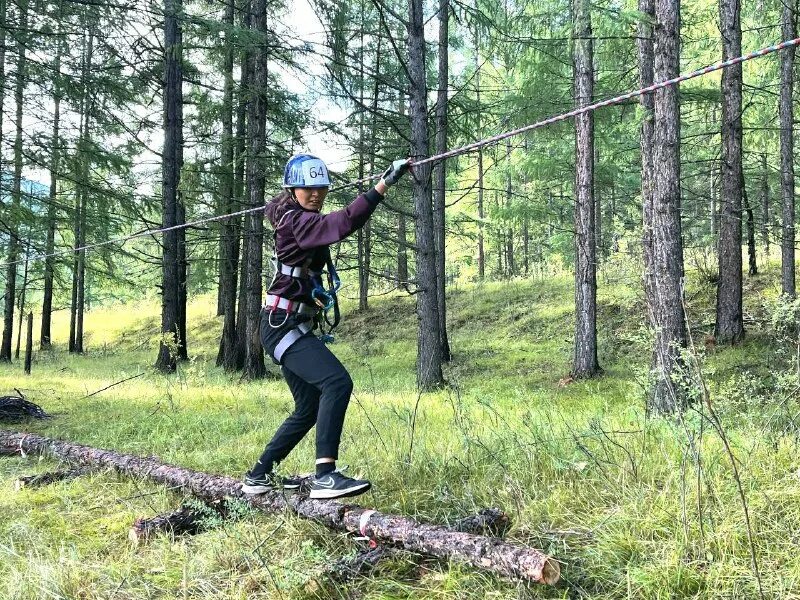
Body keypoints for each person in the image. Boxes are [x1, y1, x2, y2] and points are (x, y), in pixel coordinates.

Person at [242, 153, 410, 499]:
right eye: (308, 188)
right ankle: (325, 475)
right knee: (336, 382)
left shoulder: (295, 217)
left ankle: (259, 475)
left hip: (286, 322)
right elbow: (343, 223)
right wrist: (383, 184)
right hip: (282, 323)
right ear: (293, 188)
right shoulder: (298, 222)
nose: (315, 195)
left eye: (321, 188)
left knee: (309, 407)